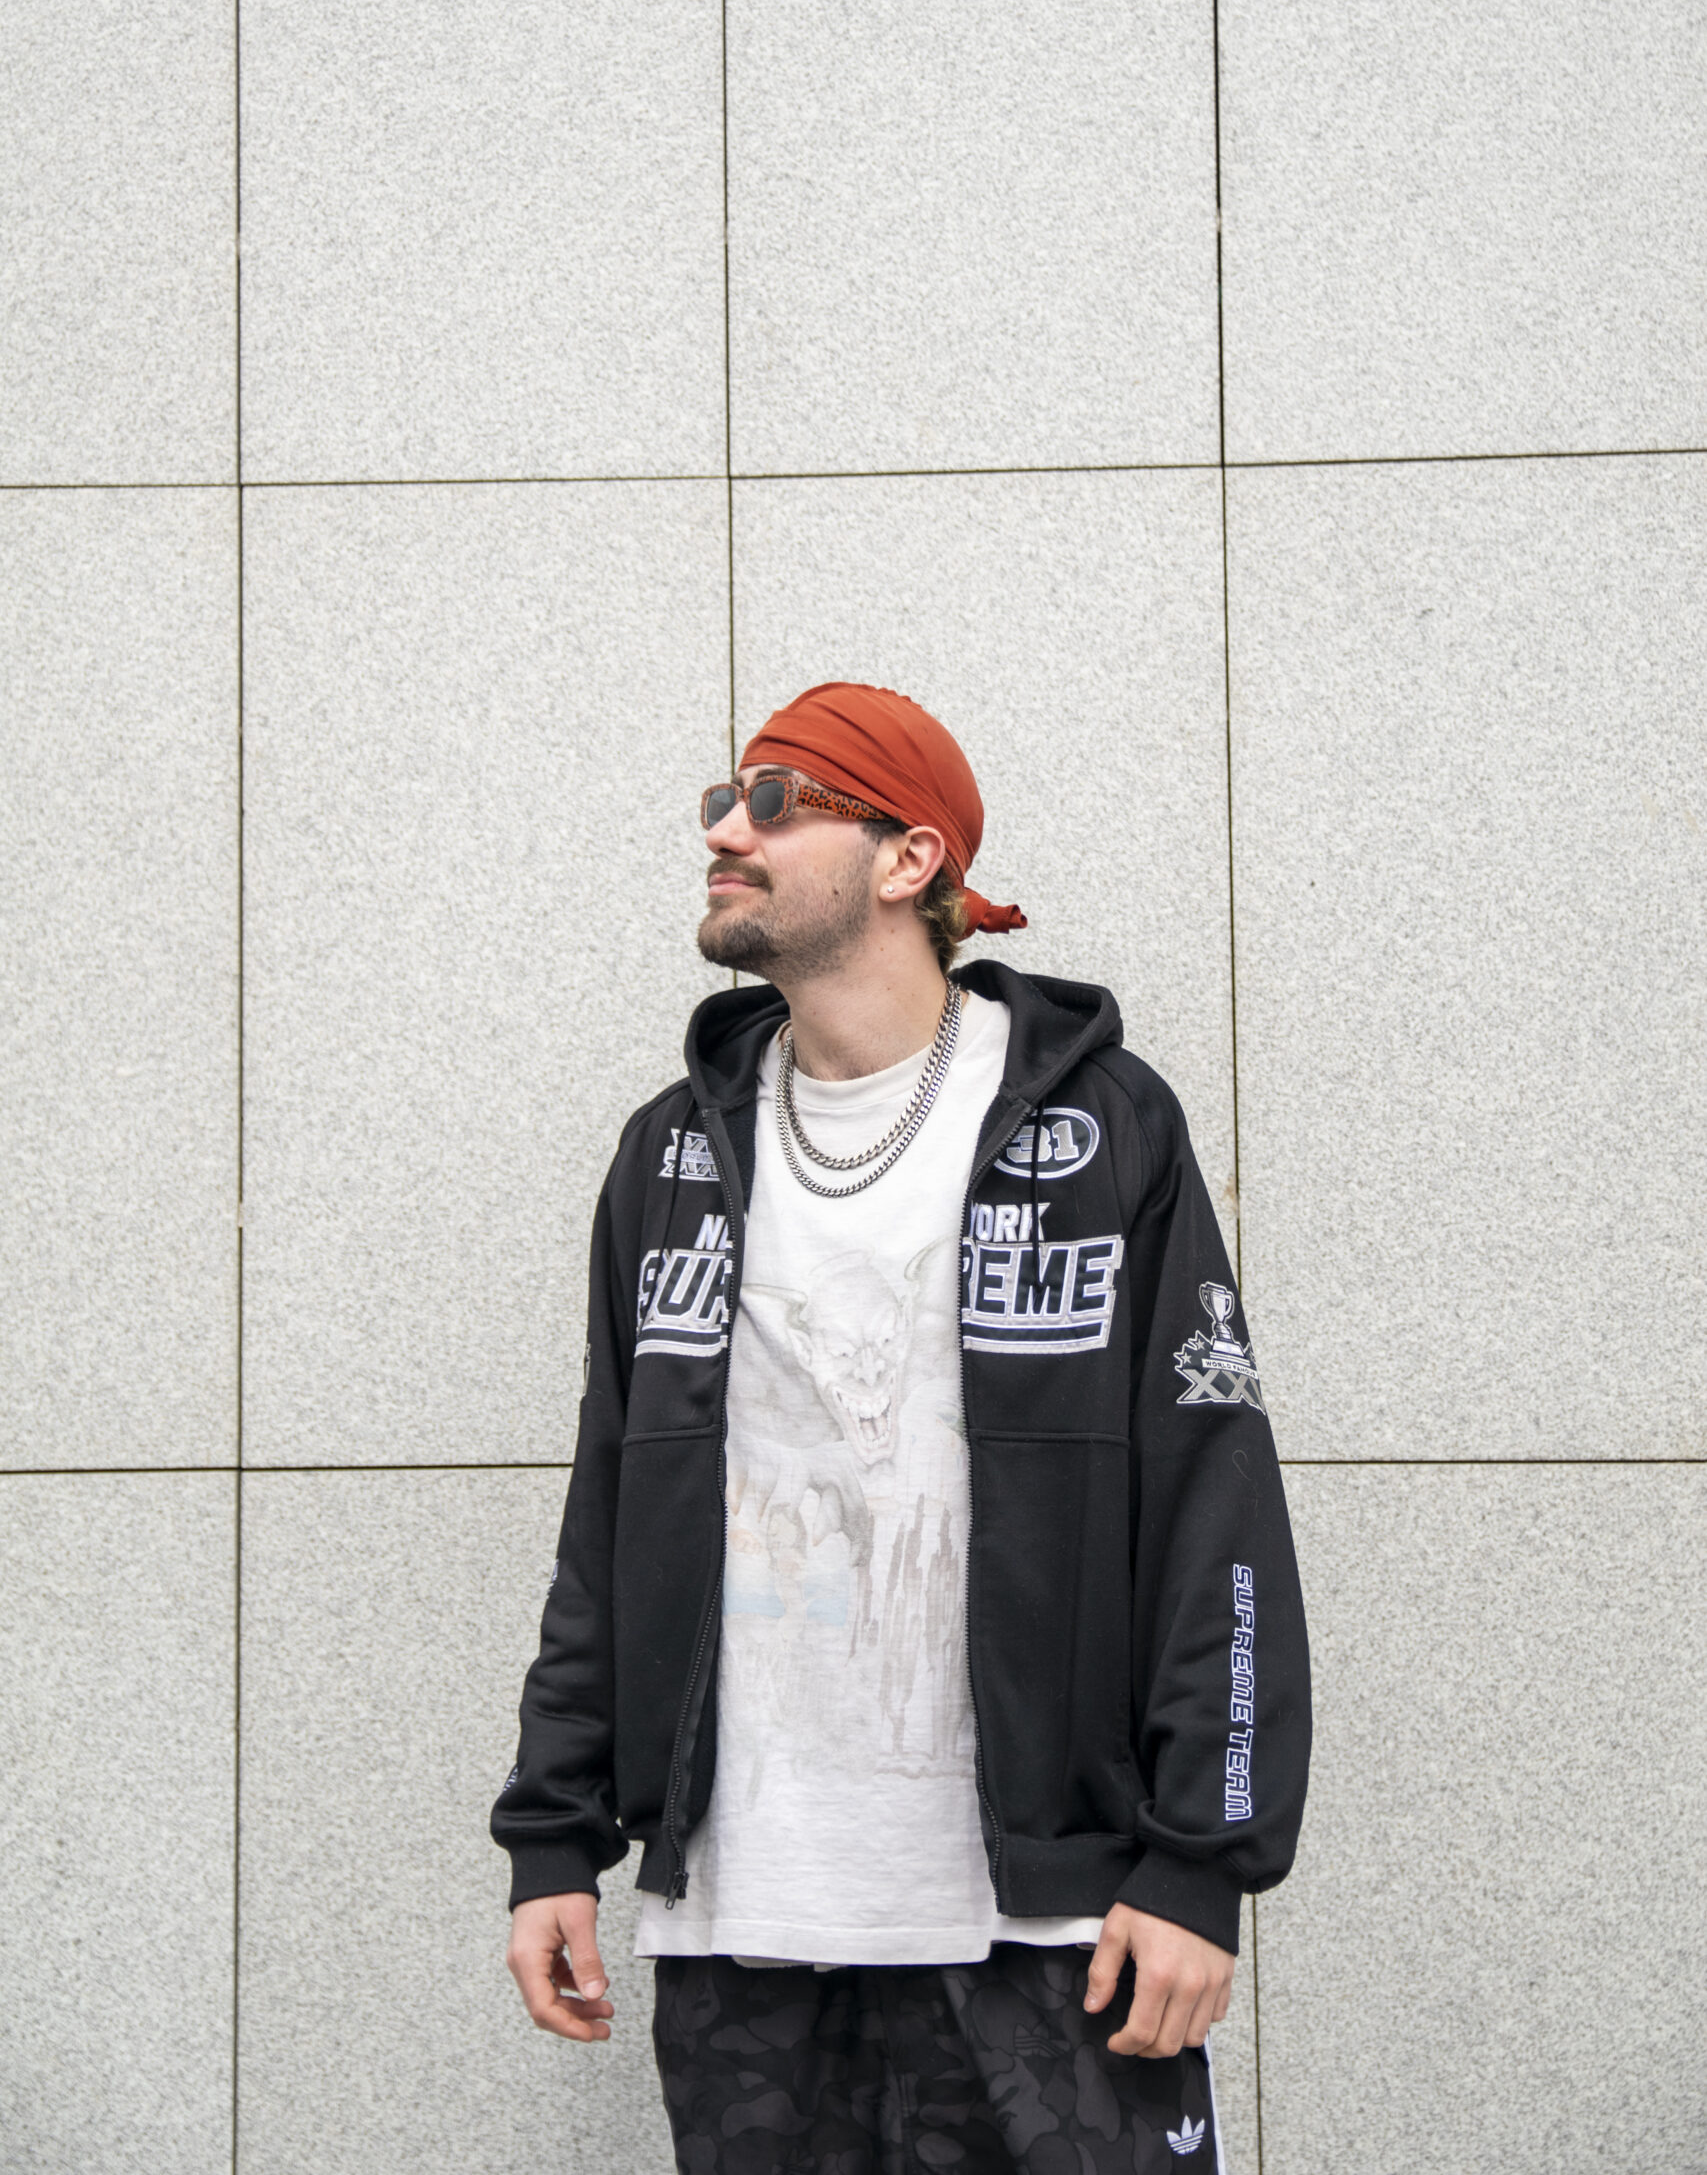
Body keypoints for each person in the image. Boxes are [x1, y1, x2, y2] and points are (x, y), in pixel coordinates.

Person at [492, 681, 1311, 2172]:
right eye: (721, 802)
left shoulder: (1101, 1128)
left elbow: (1214, 1500)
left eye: (774, 802)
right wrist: (554, 1830)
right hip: (743, 1928)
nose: (725, 833)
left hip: (1053, 1932)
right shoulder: (673, 1153)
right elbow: (611, 1510)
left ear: (908, 857)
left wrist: (1203, 1862)